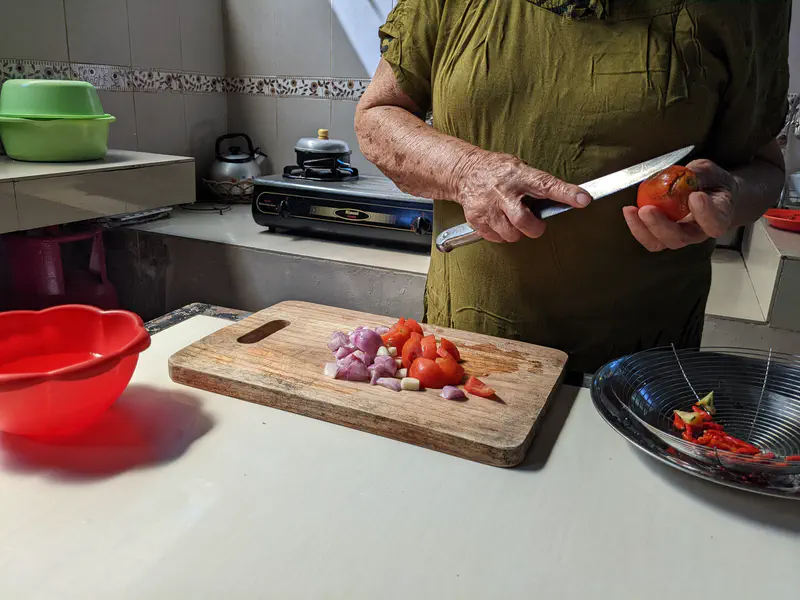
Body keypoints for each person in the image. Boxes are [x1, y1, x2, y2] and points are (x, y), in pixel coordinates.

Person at [354, 0, 790, 372]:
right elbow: (375, 118)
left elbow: (765, 168)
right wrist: (466, 169)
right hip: (464, 349)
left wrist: (728, 194)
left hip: (642, 365)